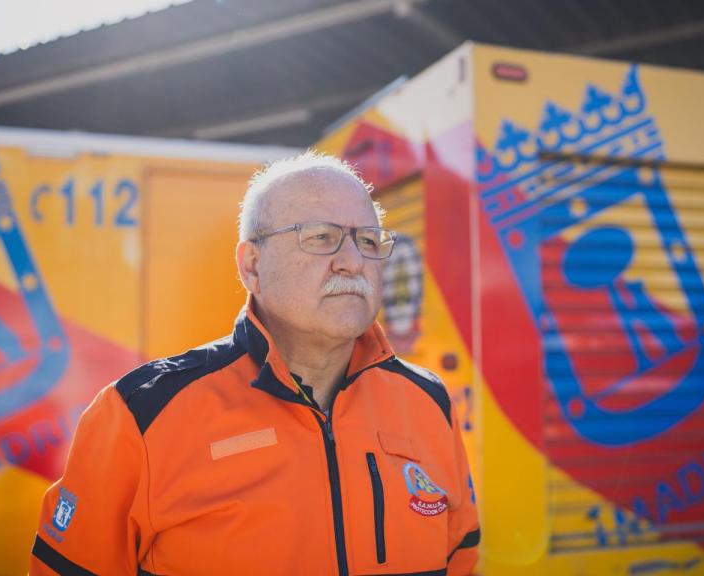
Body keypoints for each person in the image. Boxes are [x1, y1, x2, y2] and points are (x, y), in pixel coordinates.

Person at [29, 151, 480, 575]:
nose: (352, 261)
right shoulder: (140, 414)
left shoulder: (428, 401)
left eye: (367, 240)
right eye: (321, 237)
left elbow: (461, 556)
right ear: (252, 266)